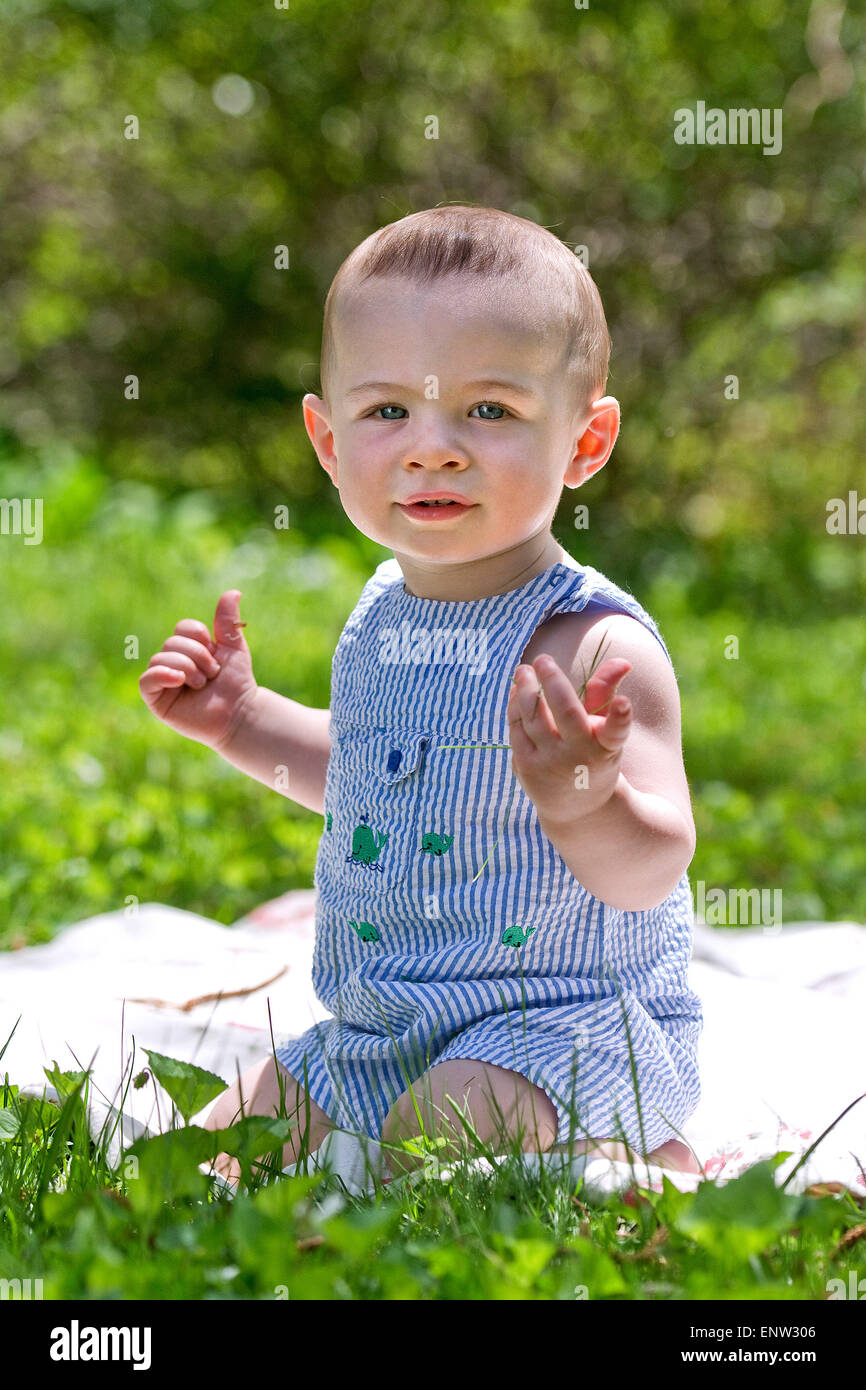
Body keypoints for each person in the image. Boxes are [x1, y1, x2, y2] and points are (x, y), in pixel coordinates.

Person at [139, 204, 703, 1187]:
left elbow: (649, 868)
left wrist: (586, 801)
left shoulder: (590, 644)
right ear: (325, 436)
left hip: (555, 1027)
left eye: (488, 411)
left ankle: (619, 1140)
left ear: (584, 440)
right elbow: (374, 787)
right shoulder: (381, 617)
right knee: (200, 1164)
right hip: (377, 1023)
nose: (431, 447)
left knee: (428, 1151)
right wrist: (242, 722)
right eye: (387, 410)